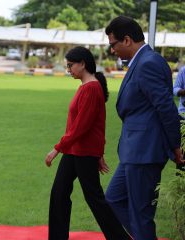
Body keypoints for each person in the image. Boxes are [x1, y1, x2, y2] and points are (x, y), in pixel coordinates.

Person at [104, 16, 184, 240]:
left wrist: (175, 145)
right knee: (114, 198)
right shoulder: (142, 61)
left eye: (113, 44)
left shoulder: (148, 62)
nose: (112, 50)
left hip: (145, 151)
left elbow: (166, 107)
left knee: (140, 214)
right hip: (135, 150)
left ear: (127, 40)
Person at [44, 46, 130, 240]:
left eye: (70, 65)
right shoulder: (85, 86)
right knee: (59, 193)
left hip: (82, 152)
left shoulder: (91, 88)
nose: (68, 70)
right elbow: (91, 126)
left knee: (94, 198)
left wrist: (56, 149)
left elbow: (82, 127)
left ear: (83, 64)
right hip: (76, 151)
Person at [173, 66, 185, 171]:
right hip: (183, 116)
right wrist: (183, 91)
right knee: (182, 152)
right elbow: (175, 89)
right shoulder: (183, 70)